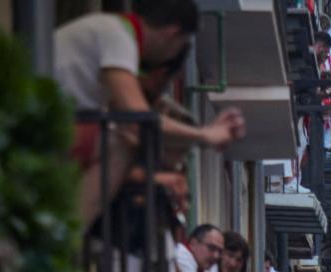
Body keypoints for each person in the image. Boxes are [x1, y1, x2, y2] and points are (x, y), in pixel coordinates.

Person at [55, 0, 246, 224]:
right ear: (173, 33)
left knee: (124, 138)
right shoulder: (118, 36)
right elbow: (139, 117)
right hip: (53, 126)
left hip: (61, 122)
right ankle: (70, 230)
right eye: (181, 44)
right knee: (119, 145)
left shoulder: (112, 30)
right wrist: (205, 134)